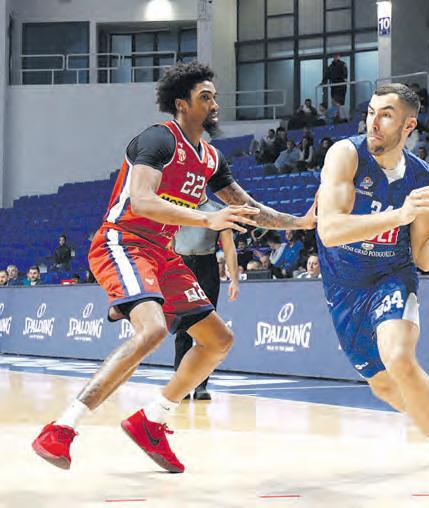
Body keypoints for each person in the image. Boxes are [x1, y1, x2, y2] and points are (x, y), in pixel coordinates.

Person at [31, 61, 316, 472]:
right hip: (123, 241)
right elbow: (143, 200)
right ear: (181, 103)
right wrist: (206, 218)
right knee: (152, 331)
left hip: (163, 253)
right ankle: (61, 428)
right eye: (205, 97)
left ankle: (151, 419)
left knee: (218, 341)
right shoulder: (158, 139)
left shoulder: (211, 158)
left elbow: (248, 208)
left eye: (215, 97)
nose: (214, 104)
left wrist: (301, 222)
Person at [315, 83, 429, 497]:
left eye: (386, 114)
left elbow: (424, 258)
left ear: (409, 125)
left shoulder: (422, 175)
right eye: (371, 112)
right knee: (383, 385)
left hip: (392, 275)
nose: (373, 122)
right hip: (344, 285)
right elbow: (330, 229)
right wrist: (399, 214)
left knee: (399, 358)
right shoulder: (345, 155)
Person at [172, 194, 240, 401]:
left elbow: (229, 247)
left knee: (207, 332)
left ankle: (201, 385)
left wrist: (234, 279)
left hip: (206, 267)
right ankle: (181, 384)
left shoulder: (218, 210)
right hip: (180, 266)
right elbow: (166, 242)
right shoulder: (174, 206)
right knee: (182, 331)